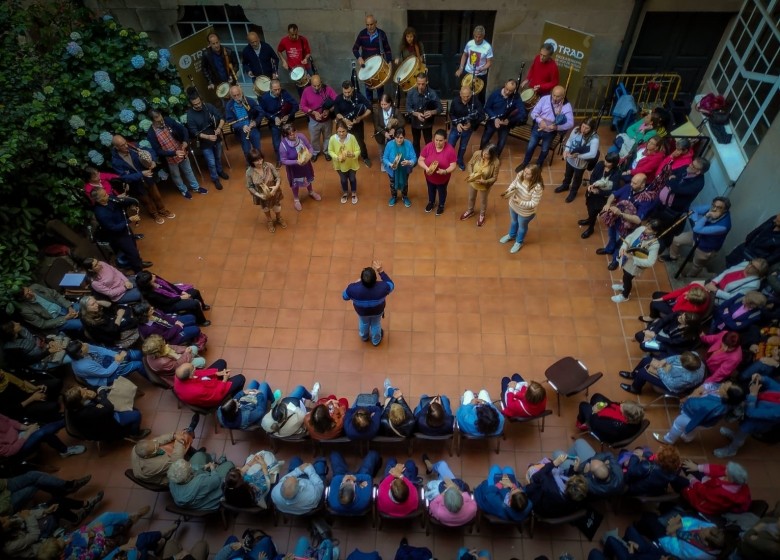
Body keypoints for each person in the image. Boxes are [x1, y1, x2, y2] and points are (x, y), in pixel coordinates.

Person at [597, 173, 657, 271]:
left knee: (620, 243)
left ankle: (616, 259)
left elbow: (638, 220)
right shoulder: (628, 187)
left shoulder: (646, 199)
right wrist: (608, 204)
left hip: (626, 227)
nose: (631, 184)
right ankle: (608, 249)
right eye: (632, 181)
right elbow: (613, 194)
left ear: (642, 185)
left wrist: (621, 214)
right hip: (614, 220)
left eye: (635, 183)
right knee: (611, 235)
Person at [653, 380, 744, 445]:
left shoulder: (713, 405)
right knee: (694, 428)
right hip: (707, 423)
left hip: (693, 417)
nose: (722, 384)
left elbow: (696, 410)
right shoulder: (727, 402)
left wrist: (689, 399)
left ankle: (668, 440)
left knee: (678, 423)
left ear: (726, 395)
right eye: (725, 382)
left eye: (724, 387)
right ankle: (687, 438)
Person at [111, 134, 174, 224]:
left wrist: (153, 160)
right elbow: (123, 177)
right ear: (116, 147)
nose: (126, 146)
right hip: (136, 183)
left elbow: (150, 151)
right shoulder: (115, 161)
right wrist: (140, 174)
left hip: (148, 178)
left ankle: (162, 210)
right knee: (146, 201)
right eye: (122, 145)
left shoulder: (133, 146)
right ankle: (154, 214)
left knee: (157, 196)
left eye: (125, 143)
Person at [714, 373, 780, 458]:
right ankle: (735, 435)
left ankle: (731, 450)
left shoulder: (777, 412)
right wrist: (761, 378)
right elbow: (771, 383)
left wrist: (753, 395)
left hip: (755, 423)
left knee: (743, 432)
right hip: (750, 408)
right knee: (740, 428)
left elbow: (751, 413)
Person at [666, 197, 732, 276]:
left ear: (725, 210)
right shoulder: (710, 208)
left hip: (706, 247)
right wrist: (696, 221)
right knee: (676, 240)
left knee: (697, 265)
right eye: (714, 205)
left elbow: (697, 229)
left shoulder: (723, 226)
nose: (714, 209)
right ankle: (673, 258)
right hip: (696, 236)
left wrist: (706, 216)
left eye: (719, 208)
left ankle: (689, 276)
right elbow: (693, 209)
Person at [146, 109, 204, 198]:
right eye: (158, 120)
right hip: (170, 157)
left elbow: (183, 129)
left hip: (181, 150)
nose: (161, 121)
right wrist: (174, 153)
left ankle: (196, 187)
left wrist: (185, 141)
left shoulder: (168, 120)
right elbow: (158, 151)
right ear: (152, 120)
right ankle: (184, 190)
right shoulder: (151, 133)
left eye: (161, 117)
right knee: (176, 175)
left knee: (188, 170)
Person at [90, 187, 149, 273]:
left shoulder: (110, 199)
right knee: (132, 253)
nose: (108, 195)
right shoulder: (101, 213)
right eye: (105, 195)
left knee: (134, 248)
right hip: (119, 236)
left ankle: (138, 263)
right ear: (99, 200)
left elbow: (121, 202)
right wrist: (129, 220)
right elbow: (113, 228)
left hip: (125, 228)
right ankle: (139, 272)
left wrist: (131, 205)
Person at [516, 85, 574, 170]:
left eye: (558, 96)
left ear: (563, 96)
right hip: (538, 128)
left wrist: (557, 127)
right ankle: (525, 162)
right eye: (553, 95)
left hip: (550, 132)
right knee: (530, 146)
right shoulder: (545, 99)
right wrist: (540, 121)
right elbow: (534, 113)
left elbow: (570, 123)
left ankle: (539, 164)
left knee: (545, 149)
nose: (555, 98)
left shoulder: (566, 106)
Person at [130, 415, 199, 485]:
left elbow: (157, 441)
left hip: (152, 467)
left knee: (175, 441)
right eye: (155, 449)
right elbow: (177, 460)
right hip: (165, 478)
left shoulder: (138, 447)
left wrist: (174, 436)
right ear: (146, 457)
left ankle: (190, 433)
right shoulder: (157, 465)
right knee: (182, 449)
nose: (157, 445)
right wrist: (180, 440)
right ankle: (197, 453)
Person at [63, 385, 149, 442]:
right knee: (136, 415)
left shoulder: (74, 405)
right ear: (81, 400)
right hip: (106, 428)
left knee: (131, 408)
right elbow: (108, 408)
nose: (85, 389)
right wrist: (98, 396)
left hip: (100, 420)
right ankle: (134, 434)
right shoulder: (87, 413)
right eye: (83, 392)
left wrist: (97, 397)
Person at [343, 260, 394, 346]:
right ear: (375, 279)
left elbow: (344, 297)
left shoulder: (353, 289)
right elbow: (391, 285)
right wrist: (381, 271)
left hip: (362, 312)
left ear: (361, 280)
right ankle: (376, 341)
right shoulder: (383, 287)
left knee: (363, 323)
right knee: (376, 324)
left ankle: (364, 337)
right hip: (378, 311)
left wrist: (355, 283)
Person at [186, 88, 229, 190]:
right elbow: (194, 132)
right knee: (211, 162)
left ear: (201, 100)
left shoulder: (208, 106)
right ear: (191, 104)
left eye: (199, 102)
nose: (198, 105)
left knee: (218, 157)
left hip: (216, 136)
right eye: (195, 104)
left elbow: (222, 117)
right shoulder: (190, 115)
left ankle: (220, 171)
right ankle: (215, 178)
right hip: (205, 142)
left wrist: (219, 128)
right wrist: (208, 137)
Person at [611, 219, 661, 304]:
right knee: (625, 274)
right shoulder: (641, 228)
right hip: (626, 259)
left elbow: (650, 262)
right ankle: (624, 286)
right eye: (647, 226)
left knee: (627, 278)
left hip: (635, 265)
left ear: (655, 232)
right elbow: (630, 238)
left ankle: (625, 295)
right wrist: (624, 247)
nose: (646, 229)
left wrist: (633, 258)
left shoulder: (655, 245)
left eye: (649, 229)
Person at [135, 270, 211, 326]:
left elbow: (168, 284)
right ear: (148, 283)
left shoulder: (154, 277)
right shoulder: (150, 294)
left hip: (173, 294)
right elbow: (166, 302)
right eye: (152, 277)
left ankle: (203, 307)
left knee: (195, 292)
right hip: (169, 305)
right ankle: (201, 321)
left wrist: (180, 291)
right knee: (194, 304)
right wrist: (181, 298)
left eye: (152, 274)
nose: (154, 275)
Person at [499, 164, 545, 254]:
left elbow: (534, 203)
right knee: (513, 221)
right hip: (513, 205)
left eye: (528, 174)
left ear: (534, 176)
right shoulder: (520, 174)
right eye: (525, 172)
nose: (525, 174)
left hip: (525, 212)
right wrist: (509, 190)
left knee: (522, 227)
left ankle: (518, 242)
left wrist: (520, 202)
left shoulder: (537, 187)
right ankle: (511, 235)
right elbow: (514, 183)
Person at [524, 454, 589, 518]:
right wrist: (574, 470)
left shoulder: (550, 487)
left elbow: (536, 476)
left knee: (532, 469)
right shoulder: (578, 495)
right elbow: (571, 485)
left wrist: (554, 463)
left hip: (541, 503)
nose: (574, 475)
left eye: (574, 476)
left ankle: (531, 466)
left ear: (567, 484)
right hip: (556, 507)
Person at [168, 452, 235, 511]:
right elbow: (216, 480)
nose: (191, 466)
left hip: (190, 498)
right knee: (229, 464)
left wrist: (204, 466)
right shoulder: (200, 482)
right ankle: (219, 464)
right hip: (205, 500)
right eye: (190, 469)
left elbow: (192, 468)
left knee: (199, 454)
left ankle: (212, 462)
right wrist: (213, 469)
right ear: (190, 475)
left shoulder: (173, 477)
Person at [0, 412, 84, 460]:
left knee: (44, 431)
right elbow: (10, 451)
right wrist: (28, 433)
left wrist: (26, 427)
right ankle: (72, 418)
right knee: (42, 433)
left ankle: (64, 450)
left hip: (19, 434)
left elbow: (9, 421)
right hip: (18, 449)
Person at [680, 459, 751, 515]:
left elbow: (704, 492)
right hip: (706, 485)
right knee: (686, 465)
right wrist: (698, 467)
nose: (725, 469)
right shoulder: (736, 480)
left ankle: (682, 496)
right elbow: (719, 469)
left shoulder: (723, 492)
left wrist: (692, 480)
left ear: (731, 479)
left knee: (679, 481)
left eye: (727, 470)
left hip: (702, 502)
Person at [555, 117, 600, 203]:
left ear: (591, 129)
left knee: (577, 178)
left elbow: (593, 154)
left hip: (580, 162)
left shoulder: (594, 139)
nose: (583, 129)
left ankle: (573, 192)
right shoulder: (576, 130)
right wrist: (566, 150)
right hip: (570, 158)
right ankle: (565, 185)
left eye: (587, 128)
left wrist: (578, 156)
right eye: (583, 126)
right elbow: (570, 140)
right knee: (568, 173)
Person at [422, 458, 477, 527]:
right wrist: (456, 488)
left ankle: (432, 468)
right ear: (462, 501)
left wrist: (445, 491)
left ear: (444, 501)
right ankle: (435, 470)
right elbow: (469, 498)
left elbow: (432, 504)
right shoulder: (472, 509)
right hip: (461, 521)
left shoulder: (439, 512)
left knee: (442, 465)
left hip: (443, 493)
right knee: (443, 470)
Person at [619, 351, 705, 396]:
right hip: (668, 370)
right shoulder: (693, 355)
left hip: (670, 384)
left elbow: (671, 384)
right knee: (646, 360)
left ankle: (635, 389)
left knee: (642, 373)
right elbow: (677, 357)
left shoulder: (687, 378)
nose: (680, 358)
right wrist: (664, 361)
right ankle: (633, 375)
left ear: (685, 367)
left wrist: (659, 369)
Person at [66, 339, 144, 387]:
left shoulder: (84, 348)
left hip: (106, 361)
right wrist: (117, 361)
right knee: (138, 364)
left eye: (82, 343)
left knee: (137, 353)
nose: (85, 344)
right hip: (105, 377)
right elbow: (106, 373)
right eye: (82, 345)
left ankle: (148, 365)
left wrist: (116, 355)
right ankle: (153, 379)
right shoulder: (83, 367)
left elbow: (101, 350)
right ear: (80, 353)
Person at [579, 152, 622, 239]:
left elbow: (612, 190)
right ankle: (589, 219)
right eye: (605, 160)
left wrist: (598, 192)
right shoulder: (600, 165)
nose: (605, 163)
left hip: (603, 198)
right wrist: (592, 185)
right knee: (589, 208)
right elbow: (593, 177)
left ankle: (591, 228)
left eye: (608, 162)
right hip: (592, 193)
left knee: (594, 211)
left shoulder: (617, 173)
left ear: (614, 163)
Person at [479, 79, 526, 158]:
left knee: (502, 142)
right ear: (505, 85)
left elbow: (523, 113)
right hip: (493, 121)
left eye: (510, 91)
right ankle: (480, 155)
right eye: (506, 89)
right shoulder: (495, 94)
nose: (507, 92)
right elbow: (487, 108)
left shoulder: (516, 97)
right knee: (484, 139)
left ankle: (495, 158)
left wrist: (510, 120)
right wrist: (495, 118)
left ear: (514, 90)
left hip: (505, 122)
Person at [352, 14, 392, 103]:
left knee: (380, 90)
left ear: (376, 23)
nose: (369, 27)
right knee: (368, 90)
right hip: (366, 66)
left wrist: (389, 62)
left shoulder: (382, 34)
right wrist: (359, 58)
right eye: (367, 25)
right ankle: (369, 109)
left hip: (379, 67)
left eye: (371, 24)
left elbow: (387, 50)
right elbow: (354, 49)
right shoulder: (362, 34)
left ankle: (382, 107)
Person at [258, 80, 299, 167]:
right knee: (277, 143)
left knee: (290, 139)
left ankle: (292, 156)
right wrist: (273, 118)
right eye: (275, 90)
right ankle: (279, 159)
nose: (277, 92)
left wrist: (288, 115)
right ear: (270, 89)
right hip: (274, 123)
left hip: (286, 121)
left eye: (279, 89)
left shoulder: (284, 93)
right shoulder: (264, 98)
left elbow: (295, 105)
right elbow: (262, 111)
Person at [279, 123, 320, 211]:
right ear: (286, 135)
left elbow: (310, 147)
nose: (293, 135)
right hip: (294, 169)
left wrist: (309, 155)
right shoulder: (283, 146)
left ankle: (311, 191)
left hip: (305, 165)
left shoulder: (301, 137)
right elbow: (283, 160)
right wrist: (296, 162)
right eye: (290, 134)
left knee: (308, 178)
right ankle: (296, 199)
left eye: (294, 132)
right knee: (295, 183)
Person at [576, 393, 645, 445]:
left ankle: (582, 423)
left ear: (626, 416)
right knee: (596, 396)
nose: (621, 404)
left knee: (583, 405)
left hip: (601, 429)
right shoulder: (636, 416)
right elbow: (616, 405)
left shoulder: (615, 425)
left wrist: (595, 411)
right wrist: (607, 404)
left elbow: (595, 423)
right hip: (609, 425)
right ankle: (588, 413)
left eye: (623, 407)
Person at [0, 321, 70, 371]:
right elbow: (27, 362)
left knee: (69, 345)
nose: (18, 323)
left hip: (45, 347)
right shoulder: (11, 349)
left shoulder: (22, 329)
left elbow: (37, 335)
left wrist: (49, 341)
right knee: (71, 357)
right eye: (15, 325)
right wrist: (48, 352)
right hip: (39, 360)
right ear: (12, 331)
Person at [327, 450, 380, 515]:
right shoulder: (364, 500)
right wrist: (354, 478)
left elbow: (336, 479)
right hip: (359, 481)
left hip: (342, 477)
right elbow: (367, 478)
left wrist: (346, 479)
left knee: (334, 455)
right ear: (355, 495)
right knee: (373, 454)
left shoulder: (333, 503)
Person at [174, 361, 245, 409]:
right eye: (193, 368)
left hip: (204, 386)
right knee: (240, 378)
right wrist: (224, 380)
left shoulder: (178, 376)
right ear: (190, 376)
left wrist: (215, 373)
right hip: (212, 396)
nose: (195, 367)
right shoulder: (198, 390)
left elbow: (198, 373)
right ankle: (236, 398)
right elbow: (216, 395)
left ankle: (220, 379)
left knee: (221, 362)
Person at [15, 283, 81, 335]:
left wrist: (69, 307)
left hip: (63, 307)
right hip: (57, 320)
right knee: (81, 324)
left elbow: (56, 295)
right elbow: (43, 324)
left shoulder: (35, 287)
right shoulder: (25, 310)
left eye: (29, 290)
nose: (31, 293)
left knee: (86, 307)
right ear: (22, 299)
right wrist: (65, 318)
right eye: (27, 295)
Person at [418, 128, 457, 215]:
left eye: (440, 140)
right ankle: (431, 202)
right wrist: (426, 168)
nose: (438, 142)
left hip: (443, 178)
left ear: (445, 140)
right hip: (429, 176)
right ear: (433, 139)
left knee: (442, 191)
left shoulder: (450, 150)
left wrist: (445, 171)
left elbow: (453, 165)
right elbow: (420, 160)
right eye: (436, 140)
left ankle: (441, 205)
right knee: (430, 189)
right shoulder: (428, 146)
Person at [622, 445, 688, 496]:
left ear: (659, 460)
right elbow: (652, 458)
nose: (656, 452)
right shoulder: (674, 471)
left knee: (623, 455)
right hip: (653, 492)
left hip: (635, 489)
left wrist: (635, 456)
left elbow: (631, 472)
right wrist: (646, 455)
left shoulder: (647, 467)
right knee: (646, 451)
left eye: (658, 453)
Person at [334, 80, 372, 167]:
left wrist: (360, 118)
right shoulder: (338, 99)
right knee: (344, 142)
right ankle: (347, 157)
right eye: (345, 92)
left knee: (360, 142)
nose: (347, 94)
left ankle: (365, 157)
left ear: (353, 89)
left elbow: (369, 108)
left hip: (357, 124)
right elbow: (337, 113)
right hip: (344, 125)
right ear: (342, 90)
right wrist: (344, 120)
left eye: (349, 92)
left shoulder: (358, 96)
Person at [246, 149, 286, 233]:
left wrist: (276, 187)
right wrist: (259, 195)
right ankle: (269, 221)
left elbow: (278, 177)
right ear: (251, 161)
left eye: (260, 159)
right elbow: (250, 186)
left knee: (277, 207)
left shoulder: (269, 165)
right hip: (261, 194)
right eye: (256, 161)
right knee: (265, 208)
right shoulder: (249, 172)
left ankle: (278, 218)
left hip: (274, 191)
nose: (260, 162)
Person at [300, 75, 337, 162]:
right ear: (311, 84)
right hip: (313, 120)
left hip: (327, 120)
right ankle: (315, 152)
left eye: (318, 85)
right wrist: (313, 112)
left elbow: (337, 100)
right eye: (314, 86)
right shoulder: (306, 91)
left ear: (321, 82)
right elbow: (302, 106)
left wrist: (329, 110)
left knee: (327, 136)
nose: (317, 88)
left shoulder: (328, 89)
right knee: (314, 138)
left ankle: (326, 151)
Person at [460, 145, 500, 227]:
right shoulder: (477, 154)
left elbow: (494, 178)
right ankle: (470, 211)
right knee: (471, 197)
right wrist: (472, 175)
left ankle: (482, 215)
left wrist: (485, 181)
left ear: (492, 155)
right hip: (473, 181)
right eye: (483, 153)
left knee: (483, 200)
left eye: (487, 154)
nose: (484, 155)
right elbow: (470, 163)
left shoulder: (496, 162)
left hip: (484, 185)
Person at [405, 73, 443, 157]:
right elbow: (408, 108)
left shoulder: (432, 93)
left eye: (423, 84)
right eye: (418, 84)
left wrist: (432, 112)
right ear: (416, 82)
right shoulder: (411, 93)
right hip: (415, 121)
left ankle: (428, 156)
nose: (420, 86)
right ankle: (417, 157)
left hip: (427, 122)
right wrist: (416, 114)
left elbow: (440, 108)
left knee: (428, 141)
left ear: (427, 82)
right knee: (415, 141)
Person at [703, 258, 768, 305]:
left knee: (700, 298)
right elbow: (726, 272)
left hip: (719, 297)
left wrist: (715, 290)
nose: (749, 266)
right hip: (714, 285)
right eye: (751, 263)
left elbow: (733, 297)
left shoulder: (753, 285)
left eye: (753, 267)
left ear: (759, 272)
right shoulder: (745, 263)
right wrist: (713, 282)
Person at [455, 26, 493, 105]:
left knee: (479, 95)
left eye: (480, 37)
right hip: (468, 72)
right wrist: (461, 68)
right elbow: (465, 55)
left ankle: (479, 112)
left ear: (483, 36)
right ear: (473, 35)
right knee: (465, 92)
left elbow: (489, 62)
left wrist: (483, 68)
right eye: (476, 36)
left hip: (480, 74)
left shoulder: (487, 47)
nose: (477, 39)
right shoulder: (470, 43)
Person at [134, 302, 201, 347]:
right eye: (150, 310)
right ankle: (191, 339)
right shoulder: (149, 329)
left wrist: (175, 321)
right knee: (196, 329)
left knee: (192, 318)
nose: (152, 308)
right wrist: (177, 326)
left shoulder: (154, 312)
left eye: (150, 307)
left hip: (171, 326)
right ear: (145, 314)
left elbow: (165, 317)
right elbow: (166, 336)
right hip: (170, 338)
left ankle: (191, 336)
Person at [448, 86, 483, 170]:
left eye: (468, 96)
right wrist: (457, 123)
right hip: (456, 127)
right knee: (450, 144)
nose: (466, 98)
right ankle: (449, 160)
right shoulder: (455, 101)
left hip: (468, 129)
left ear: (471, 94)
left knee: (463, 146)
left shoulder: (476, 102)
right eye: (464, 96)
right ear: (460, 94)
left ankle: (459, 160)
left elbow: (482, 116)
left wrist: (471, 123)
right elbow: (451, 114)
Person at [636, 311, 703, 355]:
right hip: (663, 333)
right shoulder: (678, 315)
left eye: (681, 318)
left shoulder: (689, 336)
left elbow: (672, 342)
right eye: (682, 315)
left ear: (687, 325)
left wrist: (654, 336)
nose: (679, 317)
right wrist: (652, 332)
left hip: (670, 346)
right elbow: (663, 321)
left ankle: (656, 352)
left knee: (643, 345)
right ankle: (652, 349)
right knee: (639, 336)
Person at [224, 85, 262, 163]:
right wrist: (242, 126)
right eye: (234, 96)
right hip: (242, 131)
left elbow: (261, 112)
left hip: (253, 128)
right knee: (246, 151)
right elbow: (231, 122)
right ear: (231, 96)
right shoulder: (229, 105)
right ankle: (250, 167)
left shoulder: (249, 101)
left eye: (238, 94)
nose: (237, 97)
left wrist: (255, 122)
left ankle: (260, 164)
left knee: (257, 149)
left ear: (241, 93)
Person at [328, 119, 362, 205]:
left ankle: (354, 192)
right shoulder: (332, 139)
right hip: (339, 165)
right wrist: (337, 157)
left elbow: (358, 150)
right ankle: (345, 192)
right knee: (343, 180)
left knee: (352, 178)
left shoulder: (352, 138)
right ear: (336, 131)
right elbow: (330, 151)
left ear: (347, 130)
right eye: (339, 131)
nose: (341, 134)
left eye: (343, 131)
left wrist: (353, 154)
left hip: (351, 163)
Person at [642, 283, 711, 322]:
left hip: (677, 310)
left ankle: (652, 317)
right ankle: (660, 312)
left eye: (688, 297)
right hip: (677, 301)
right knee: (656, 295)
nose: (686, 294)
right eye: (688, 293)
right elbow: (680, 291)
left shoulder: (695, 308)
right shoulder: (696, 286)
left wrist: (683, 298)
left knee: (654, 303)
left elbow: (675, 310)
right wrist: (662, 299)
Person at [382, 127, 416, 208]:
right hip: (392, 170)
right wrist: (390, 164)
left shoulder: (408, 144)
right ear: (394, 137)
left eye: (401, 137)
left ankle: (405, 196)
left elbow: (414, 158)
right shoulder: (389, 144)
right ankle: (394, 196)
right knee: (392, 183)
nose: (399, 140)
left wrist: (409, 162)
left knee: (405, 183)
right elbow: (384, 158)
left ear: (404, 137)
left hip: (405, 169)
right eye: (397, 137)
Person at [373, 93, 405, 168]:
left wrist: (394, 129)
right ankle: (383, 163)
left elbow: (402, 122)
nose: (383, 106)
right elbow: (376, 125)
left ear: (390, 103)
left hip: (393, 136)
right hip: (381, 135)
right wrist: (384, 133)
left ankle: (395, 162)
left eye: (385, 104)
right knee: (382, 150)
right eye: (382, 104)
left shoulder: (395, 111)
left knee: (395, 148)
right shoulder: (377, 111)